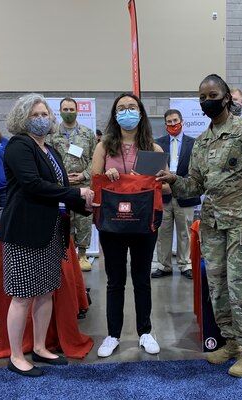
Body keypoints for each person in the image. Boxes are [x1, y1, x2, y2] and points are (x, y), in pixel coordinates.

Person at [157, 74, 242, 377]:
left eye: (212, 95)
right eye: (201, 97)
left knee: (241, 289)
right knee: (219, 289)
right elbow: (195, 186)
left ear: (225, 97)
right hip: (212, 225)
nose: (206, 101)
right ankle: (232, 343)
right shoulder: (202, 142)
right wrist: (174, 182)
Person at [0, 93, 93, 377]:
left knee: (46, 291)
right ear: (22, 119)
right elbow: (33, 184)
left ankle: (39, 347)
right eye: (34, 115)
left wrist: (86, 204)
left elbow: (58, 190)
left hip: (50, 229)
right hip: (25, 230)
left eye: (44, 114)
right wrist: (77, 193)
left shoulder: (48, 148)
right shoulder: (18, 145)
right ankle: (16, 356)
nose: (41, 119)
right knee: (22, 296)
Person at [91, 93, 167, 358]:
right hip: (113, 222)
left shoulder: (153, 149)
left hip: (144, 222)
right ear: (114, 115)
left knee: (141, 278)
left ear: (141, 112)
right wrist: (109, 177)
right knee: (115, 280)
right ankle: (112, 335)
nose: (127, 112)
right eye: (121, 108)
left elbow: (164, 185)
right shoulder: (104, 147)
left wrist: (146, 179)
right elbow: (95, 181)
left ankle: (145, 332)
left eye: (131, 108)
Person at [46, 98, 96, 271]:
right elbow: (48, 159)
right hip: (61, 186)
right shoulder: (51, 135)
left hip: (84, 184)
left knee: (83, 220)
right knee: (65, 219)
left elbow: (94, 159)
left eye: (71, 109)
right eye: (65, 109)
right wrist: (62, 177)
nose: (68, 112)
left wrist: (84, 174)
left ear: (77, 110)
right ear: (60, 111)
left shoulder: (88, 133)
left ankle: (82, 254)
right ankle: (67, 254)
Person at [151, 109, 200, 280]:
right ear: (165, 124)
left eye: (175, 120)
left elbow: (196, 171)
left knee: (185, 231)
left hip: (185, 194)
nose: (173, 124)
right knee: (163, 231)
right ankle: (164, 265)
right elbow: (153, 169)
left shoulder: (194, 143)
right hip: (163, 195)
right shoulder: (157, 144)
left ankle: (185, 264)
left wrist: (178, 183)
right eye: (169, 122)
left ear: (182, 121)